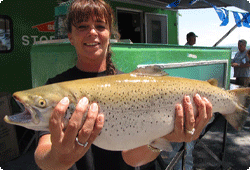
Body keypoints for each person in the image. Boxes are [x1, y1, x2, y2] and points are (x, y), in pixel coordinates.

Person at [34, 0, 213, 170]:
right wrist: (60, 156)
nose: (92, 32)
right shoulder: (55, 89)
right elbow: (44, 158)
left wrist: (165, 135)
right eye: (82, 26)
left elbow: (132, 158)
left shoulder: (132, 85)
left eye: (100, 26)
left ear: (110, 35)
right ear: (70, 37)